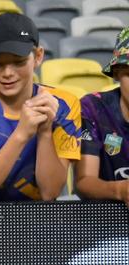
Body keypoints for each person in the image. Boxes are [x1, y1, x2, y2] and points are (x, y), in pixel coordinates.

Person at [0, 12, 80, 202]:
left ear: (38, 56)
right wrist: (22, 133)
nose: (8, 73)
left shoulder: (64, 105)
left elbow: (50, 193)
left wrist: (45, 131)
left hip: (36, 220)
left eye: (18, 62)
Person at [75, 28, 129, 205]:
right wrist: (120, 190)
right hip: (107, 224)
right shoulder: (94, 108)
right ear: (117, 73)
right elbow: (84, 182)